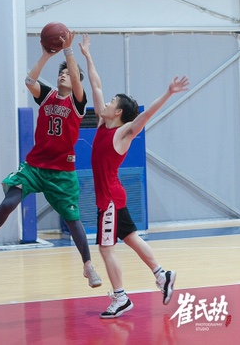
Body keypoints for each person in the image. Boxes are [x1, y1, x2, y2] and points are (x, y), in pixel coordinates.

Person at [0, 30, 102, 289]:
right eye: (60, 73)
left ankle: (88, 265)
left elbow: (76, 77)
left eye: (67, 73)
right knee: (9, 202)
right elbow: (29, 80)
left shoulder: (77, 103)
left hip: (62, 172)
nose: (63, 75)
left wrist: (69, 51)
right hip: (36, 166)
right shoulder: (48, 96)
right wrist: (46, 55)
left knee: (73, 221)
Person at [79, 33, 189, 319]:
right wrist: (88, 56)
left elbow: (145, 115)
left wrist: (168, 92)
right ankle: (162, 274)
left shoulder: (122, 133)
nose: (105, 102)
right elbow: (96, 84)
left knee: (105, 249)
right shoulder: (103, 124)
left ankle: (121, 297)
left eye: (111, 101)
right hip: (112, 197)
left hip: (109, 200)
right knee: (130, 237)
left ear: (119, 112)